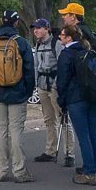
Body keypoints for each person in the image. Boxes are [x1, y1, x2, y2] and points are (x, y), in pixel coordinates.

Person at [59, 2, 96, 175]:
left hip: (79, 94)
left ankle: (92, 168)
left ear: (74, 17)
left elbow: (65, 77)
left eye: (66, 14)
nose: (63, 17)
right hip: (93, 93)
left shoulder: (78, 40)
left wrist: (62, 99)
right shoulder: (91, 36)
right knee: (94, 131)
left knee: (86, 134)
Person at [0, 10, 35, 183]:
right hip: (17, 92)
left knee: (0, 130)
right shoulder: (21, 43)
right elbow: (29, 70)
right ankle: (19, 170)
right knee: (16, 131)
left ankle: (1, 170)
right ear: (15, 22)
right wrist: (27, 91)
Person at [56, 24, 96, 185]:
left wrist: (61, 101)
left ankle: (89, 172)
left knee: (83, 136)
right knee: (93, 134)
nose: (60, 37)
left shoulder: (66, 54)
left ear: (69, 37)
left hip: (76, 98)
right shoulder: (88, 51)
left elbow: (62, 80)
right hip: (93, 97)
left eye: (62, 35)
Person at [32, 18, 75, 167]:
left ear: (47, 29)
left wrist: (58, 86)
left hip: (55, 88)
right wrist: (36, 85)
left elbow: (62, 65)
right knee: (49, 120)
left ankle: (69, 153)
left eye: (39, 28)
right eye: (35, 28)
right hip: (43, 87)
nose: (36, 30)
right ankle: (50, 151)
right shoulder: (37, 45)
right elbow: (36, 66)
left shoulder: (56, 44)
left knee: (63, 119)